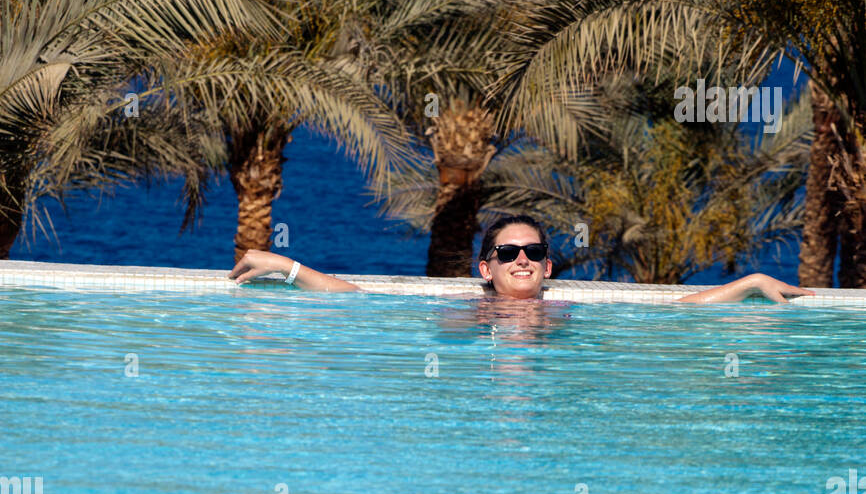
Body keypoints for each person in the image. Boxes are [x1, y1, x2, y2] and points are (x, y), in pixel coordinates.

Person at [229, 214, 816, 304]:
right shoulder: (464, 311)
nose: (522, 260)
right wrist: (284, 264)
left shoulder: (563, 315)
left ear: (548, 266)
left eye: (533, 252)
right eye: (508, 252)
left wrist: (752, 281)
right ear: (485, 267)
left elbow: (674, 311)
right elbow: (358, 302)